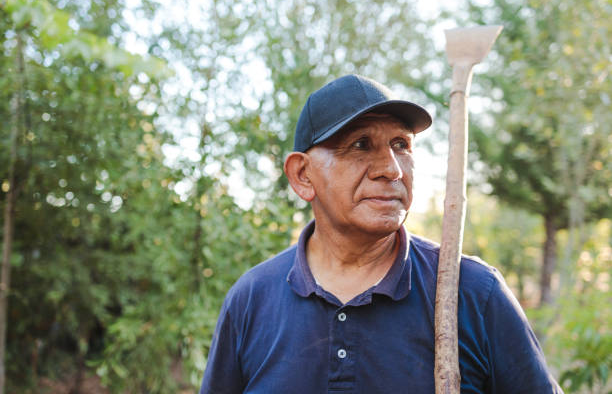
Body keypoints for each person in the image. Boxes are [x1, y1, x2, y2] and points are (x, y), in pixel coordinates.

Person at [199, 74, 562, 393]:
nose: (391, 169)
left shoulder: (473, 292)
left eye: (401, 145)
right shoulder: (252, 299)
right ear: (302, 175)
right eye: (361, 145)